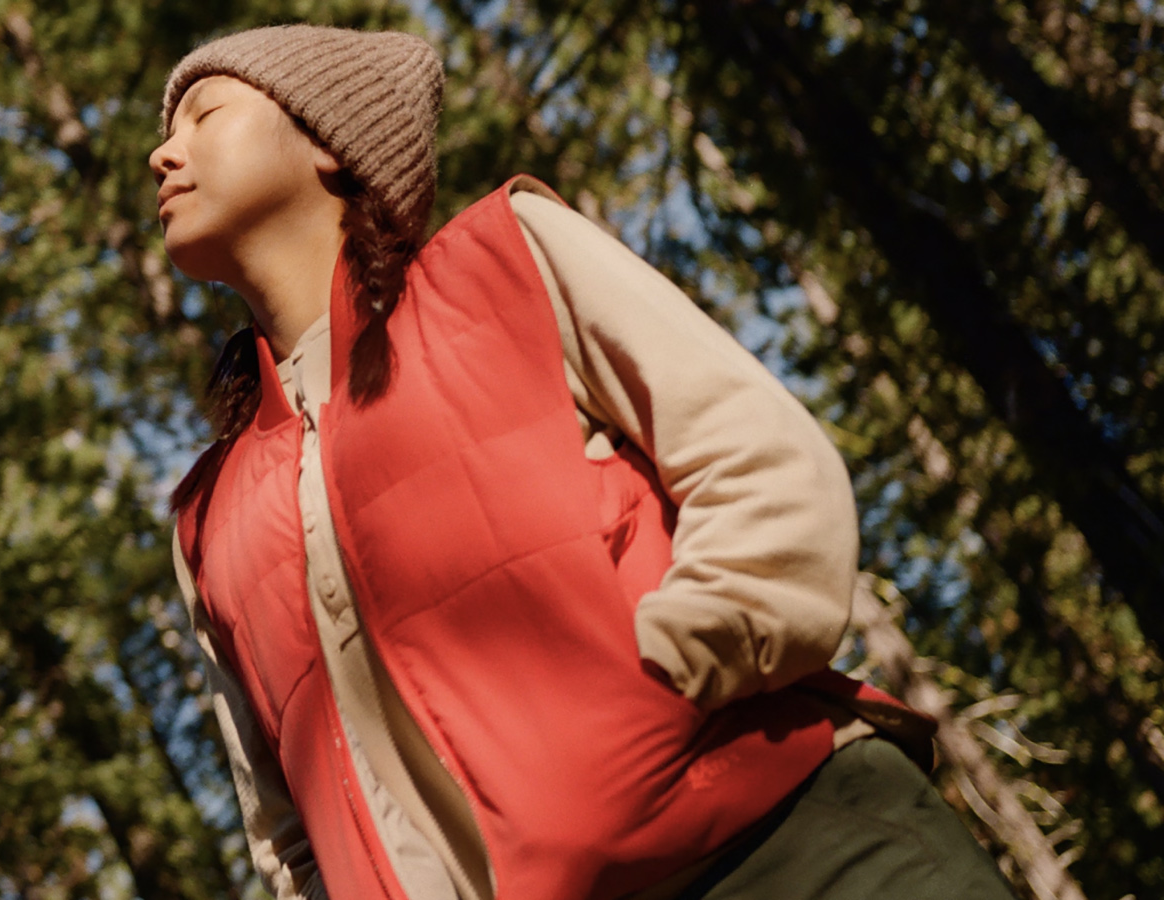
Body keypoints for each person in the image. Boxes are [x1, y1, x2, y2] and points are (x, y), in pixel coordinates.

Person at [151, 24, 1016, 900]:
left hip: (801, 845)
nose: (162, 153)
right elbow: (284, 833)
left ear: (328, 144)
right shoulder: (207, 522)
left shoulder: (507, 263)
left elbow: (761, 462)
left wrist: (670, 685)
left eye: (204, 115)